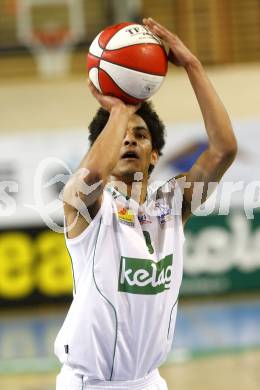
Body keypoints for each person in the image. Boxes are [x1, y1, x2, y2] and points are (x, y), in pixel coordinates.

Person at [54, 17, 237, 390]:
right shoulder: (87, 210)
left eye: (141, 136)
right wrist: (118, 111)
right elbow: (89, 178)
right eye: (122, 136)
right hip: (90, 383)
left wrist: (193, 66)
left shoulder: (171, 207)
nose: (130, 141)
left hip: (148, 382)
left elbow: (223, 150)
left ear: (154, 155)